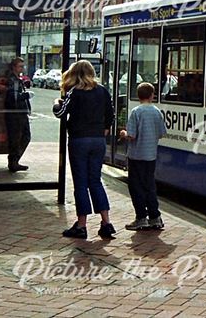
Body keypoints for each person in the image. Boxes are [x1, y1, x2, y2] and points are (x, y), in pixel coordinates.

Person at [53, 60, 116, 240]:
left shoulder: (75, 92)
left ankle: (81, 225)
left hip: (79, 139)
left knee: (81, 183)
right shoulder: (102, 90)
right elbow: (110, 113)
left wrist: (57, 102)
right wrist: (104, 127)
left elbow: (60, 113)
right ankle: (106, 223)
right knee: (95, 181)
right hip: (98, 140)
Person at [119, 82, 167, 231]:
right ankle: (155, 217)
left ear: (139, 96)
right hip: (151, 156)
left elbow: (132, 136)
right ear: (152, 96)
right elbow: (161, 132)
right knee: (150, 186)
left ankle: (141, 217)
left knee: (136, 187)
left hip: (136, 156)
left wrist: (123, 134)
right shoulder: (156, 112)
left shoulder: (136, 112)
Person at [2, 57, 32, 172]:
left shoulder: (16, 79)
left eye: (23, 66)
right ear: (14, 67)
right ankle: (14, 161)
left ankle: (14, 161)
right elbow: (13, 98)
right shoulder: (13, 80)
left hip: (19, 112)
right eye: (20, 66)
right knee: (19, 137)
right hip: (16, 113)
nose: (22, 68)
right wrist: (27, 95)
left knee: (22, 137)